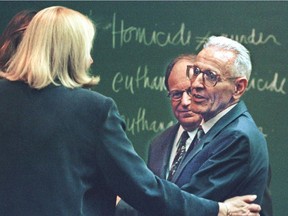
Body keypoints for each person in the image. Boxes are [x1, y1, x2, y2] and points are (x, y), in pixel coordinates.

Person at [0, 6, 261, 216]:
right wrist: (220, 210)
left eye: (210, 75)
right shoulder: (93, 109)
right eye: (86, 49)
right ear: (69, 53)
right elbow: (144, 189)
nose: (90, 59)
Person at [116, 53, 273, 216]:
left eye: (191, 92)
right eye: (176, 94)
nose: (185, 102)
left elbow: (186, 205)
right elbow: (161, 200)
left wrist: (120, 205)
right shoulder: (158, 144)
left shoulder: (233, 138)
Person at [185, 36, 269, 206]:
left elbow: (186, 208)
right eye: (195, 71)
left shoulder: (237, 137)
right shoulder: (212, 129)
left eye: (210, 76)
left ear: (238, 88)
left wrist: (122, 204)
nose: (196, 84)